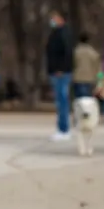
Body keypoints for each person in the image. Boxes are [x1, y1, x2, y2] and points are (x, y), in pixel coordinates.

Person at [45, 10, 74, 141]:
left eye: (54, 18)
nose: (52, 20)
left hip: (61, 72)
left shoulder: (64, 33)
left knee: (62, 100)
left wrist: (61, 68)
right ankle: (61, 128)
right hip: (54, 70)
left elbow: (67, 52)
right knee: (59, 101)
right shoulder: (55, 33)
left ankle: (64, 129)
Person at [72, 33, 100, 99]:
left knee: (78, 100)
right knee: (87, 100)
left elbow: (73, 65)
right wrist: (99, 79)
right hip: (90, 79)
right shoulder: (93, 52)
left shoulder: (76, 51)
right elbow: (97, 67)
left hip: (78, 78)